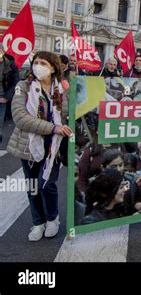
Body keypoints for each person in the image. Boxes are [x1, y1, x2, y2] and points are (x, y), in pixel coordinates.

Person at [7, 51, 71, 241]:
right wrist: (54, 128)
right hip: (29, 145)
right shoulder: (23, 86)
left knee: (48, 185)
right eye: (35, 62)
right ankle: (38, 222)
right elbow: (20, 118)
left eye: (43, 62)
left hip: (54, 148)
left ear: (52, 68)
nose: (38, 65)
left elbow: (68, 114)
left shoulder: (61, 90)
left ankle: (52, 219)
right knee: (33, 186)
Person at [0, 45, 19, 143]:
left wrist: (7, 97)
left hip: (2, 98)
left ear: (3, 52)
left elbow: (16, 81)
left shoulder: (10, 64)